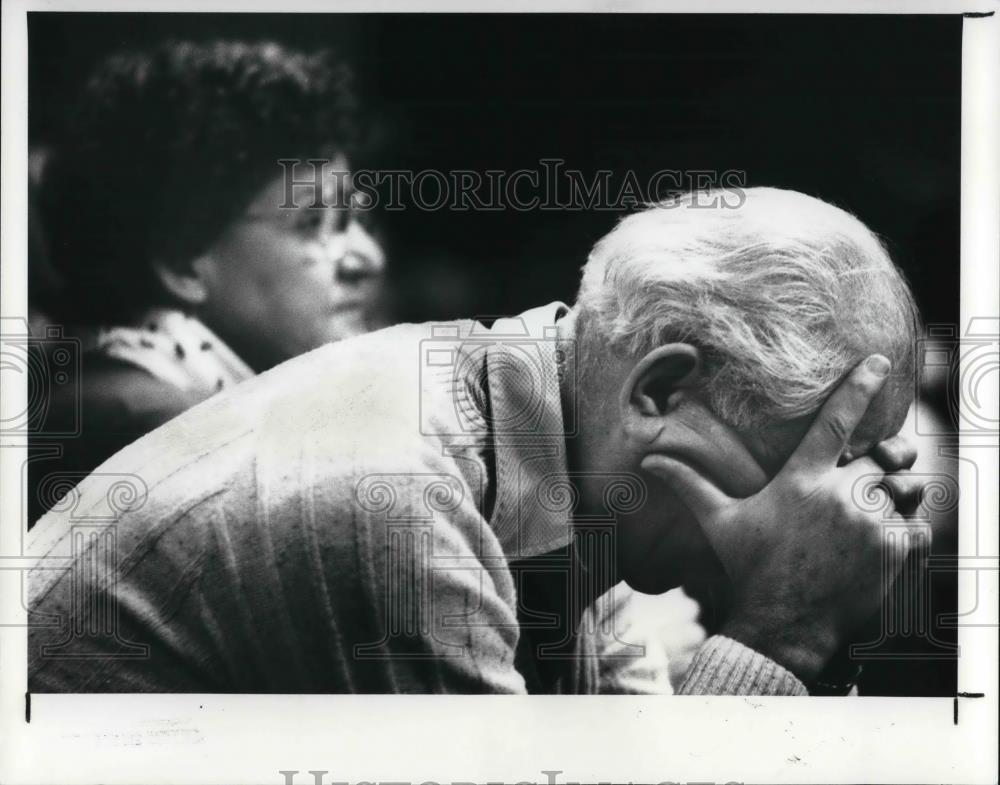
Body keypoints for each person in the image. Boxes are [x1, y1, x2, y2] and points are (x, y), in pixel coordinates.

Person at [28, 187, 927, 694]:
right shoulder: (396, 497)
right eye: (829, 454)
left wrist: (836, 628)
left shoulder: (562, 471)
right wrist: (784, 633)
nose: (845, 510)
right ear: (658, 390)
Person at [28, 41, 385, 524]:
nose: (368, 259)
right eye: (314, 222)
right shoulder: (154, 428)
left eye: (355, 218)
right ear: (181, 264)